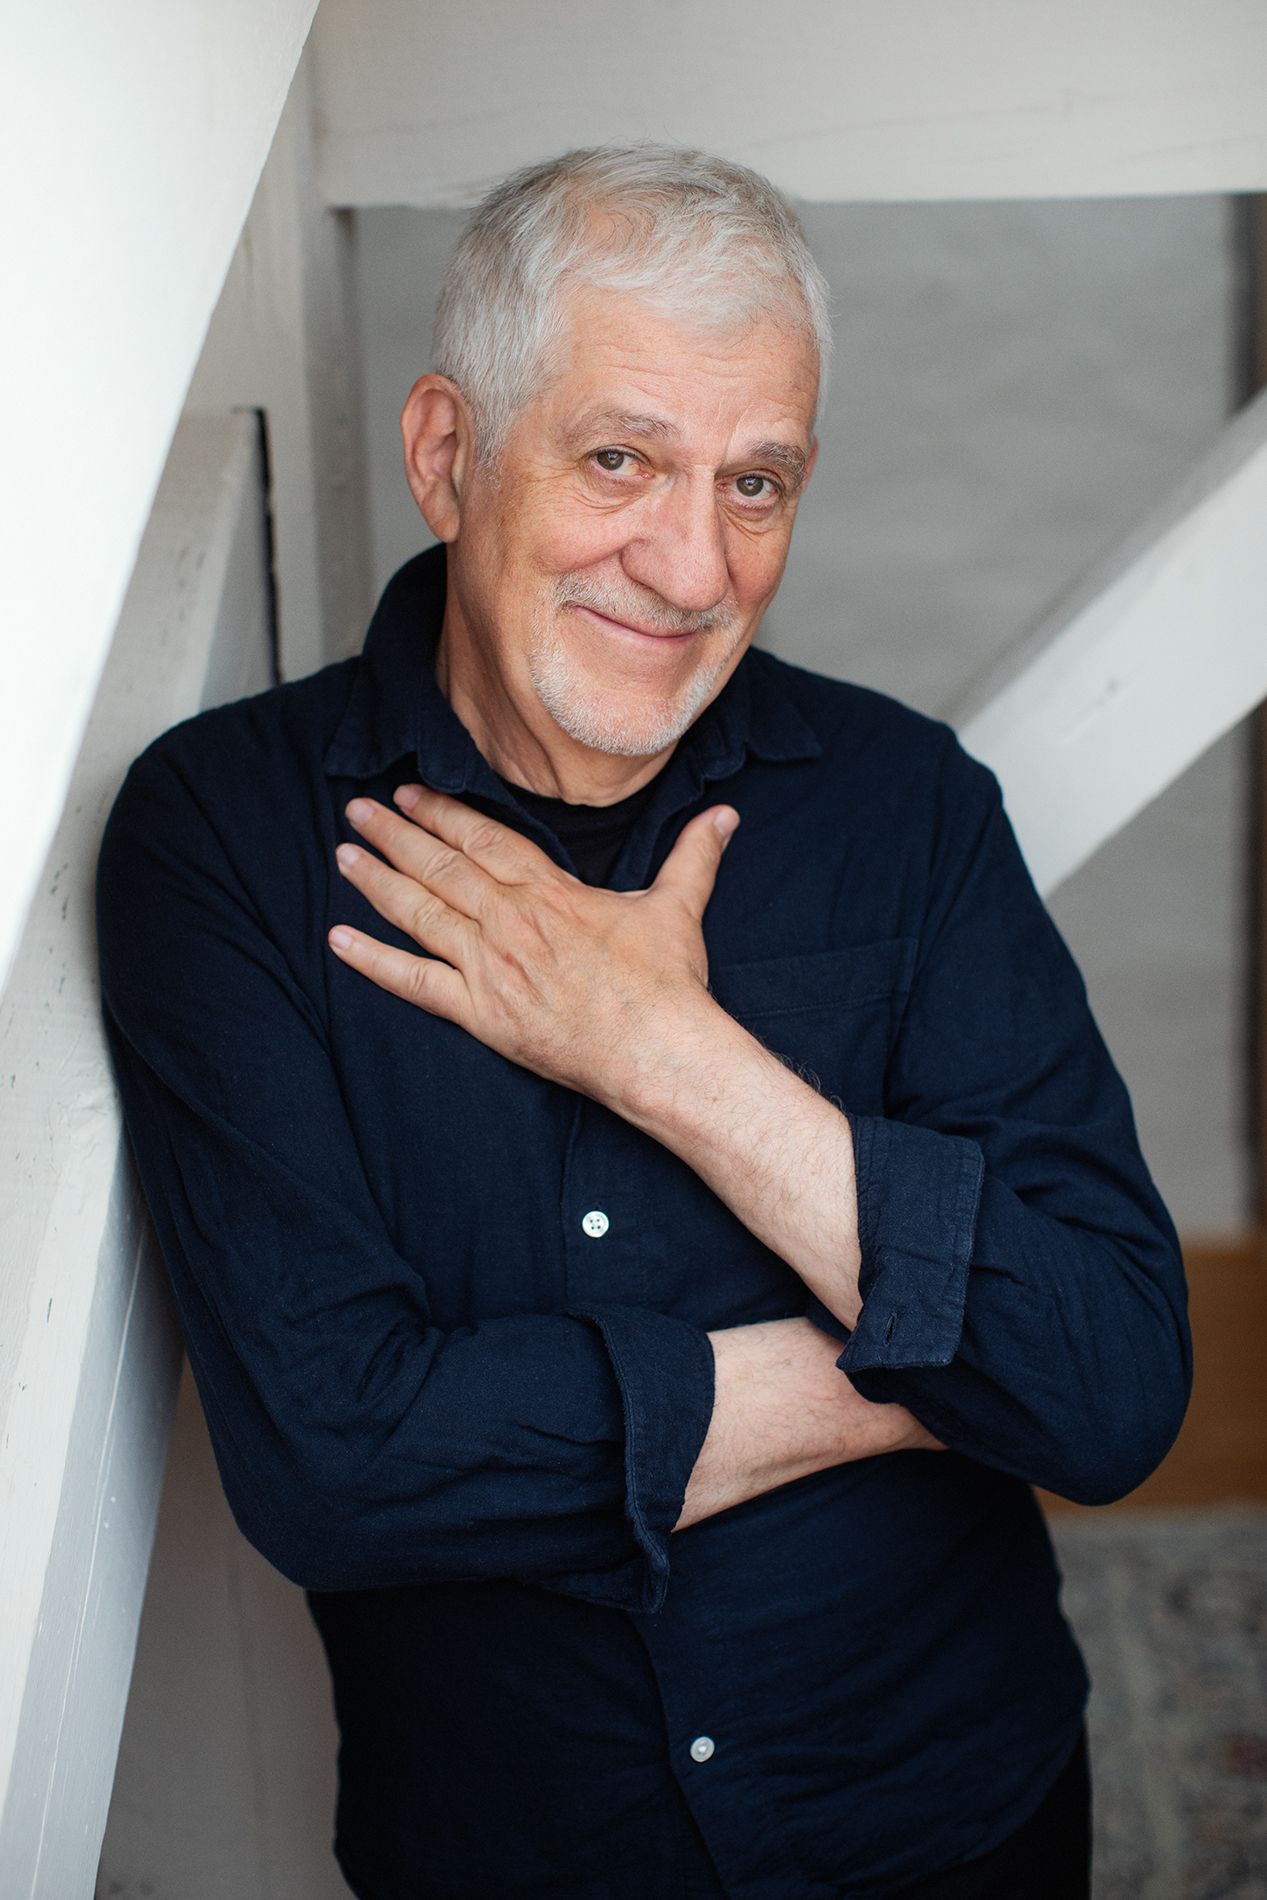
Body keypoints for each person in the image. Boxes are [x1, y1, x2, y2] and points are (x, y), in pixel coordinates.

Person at [97, 146, 1191, 1899]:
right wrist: (910, 1364)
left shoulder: (902, 807)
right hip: (517, 1850)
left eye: (756, 483)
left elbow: (1114, 1385)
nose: (692, 568)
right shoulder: (228, 835)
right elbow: (334, 1464)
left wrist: (665, 1057)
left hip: (945, 1811)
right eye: (621, 460)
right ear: (446, 455)